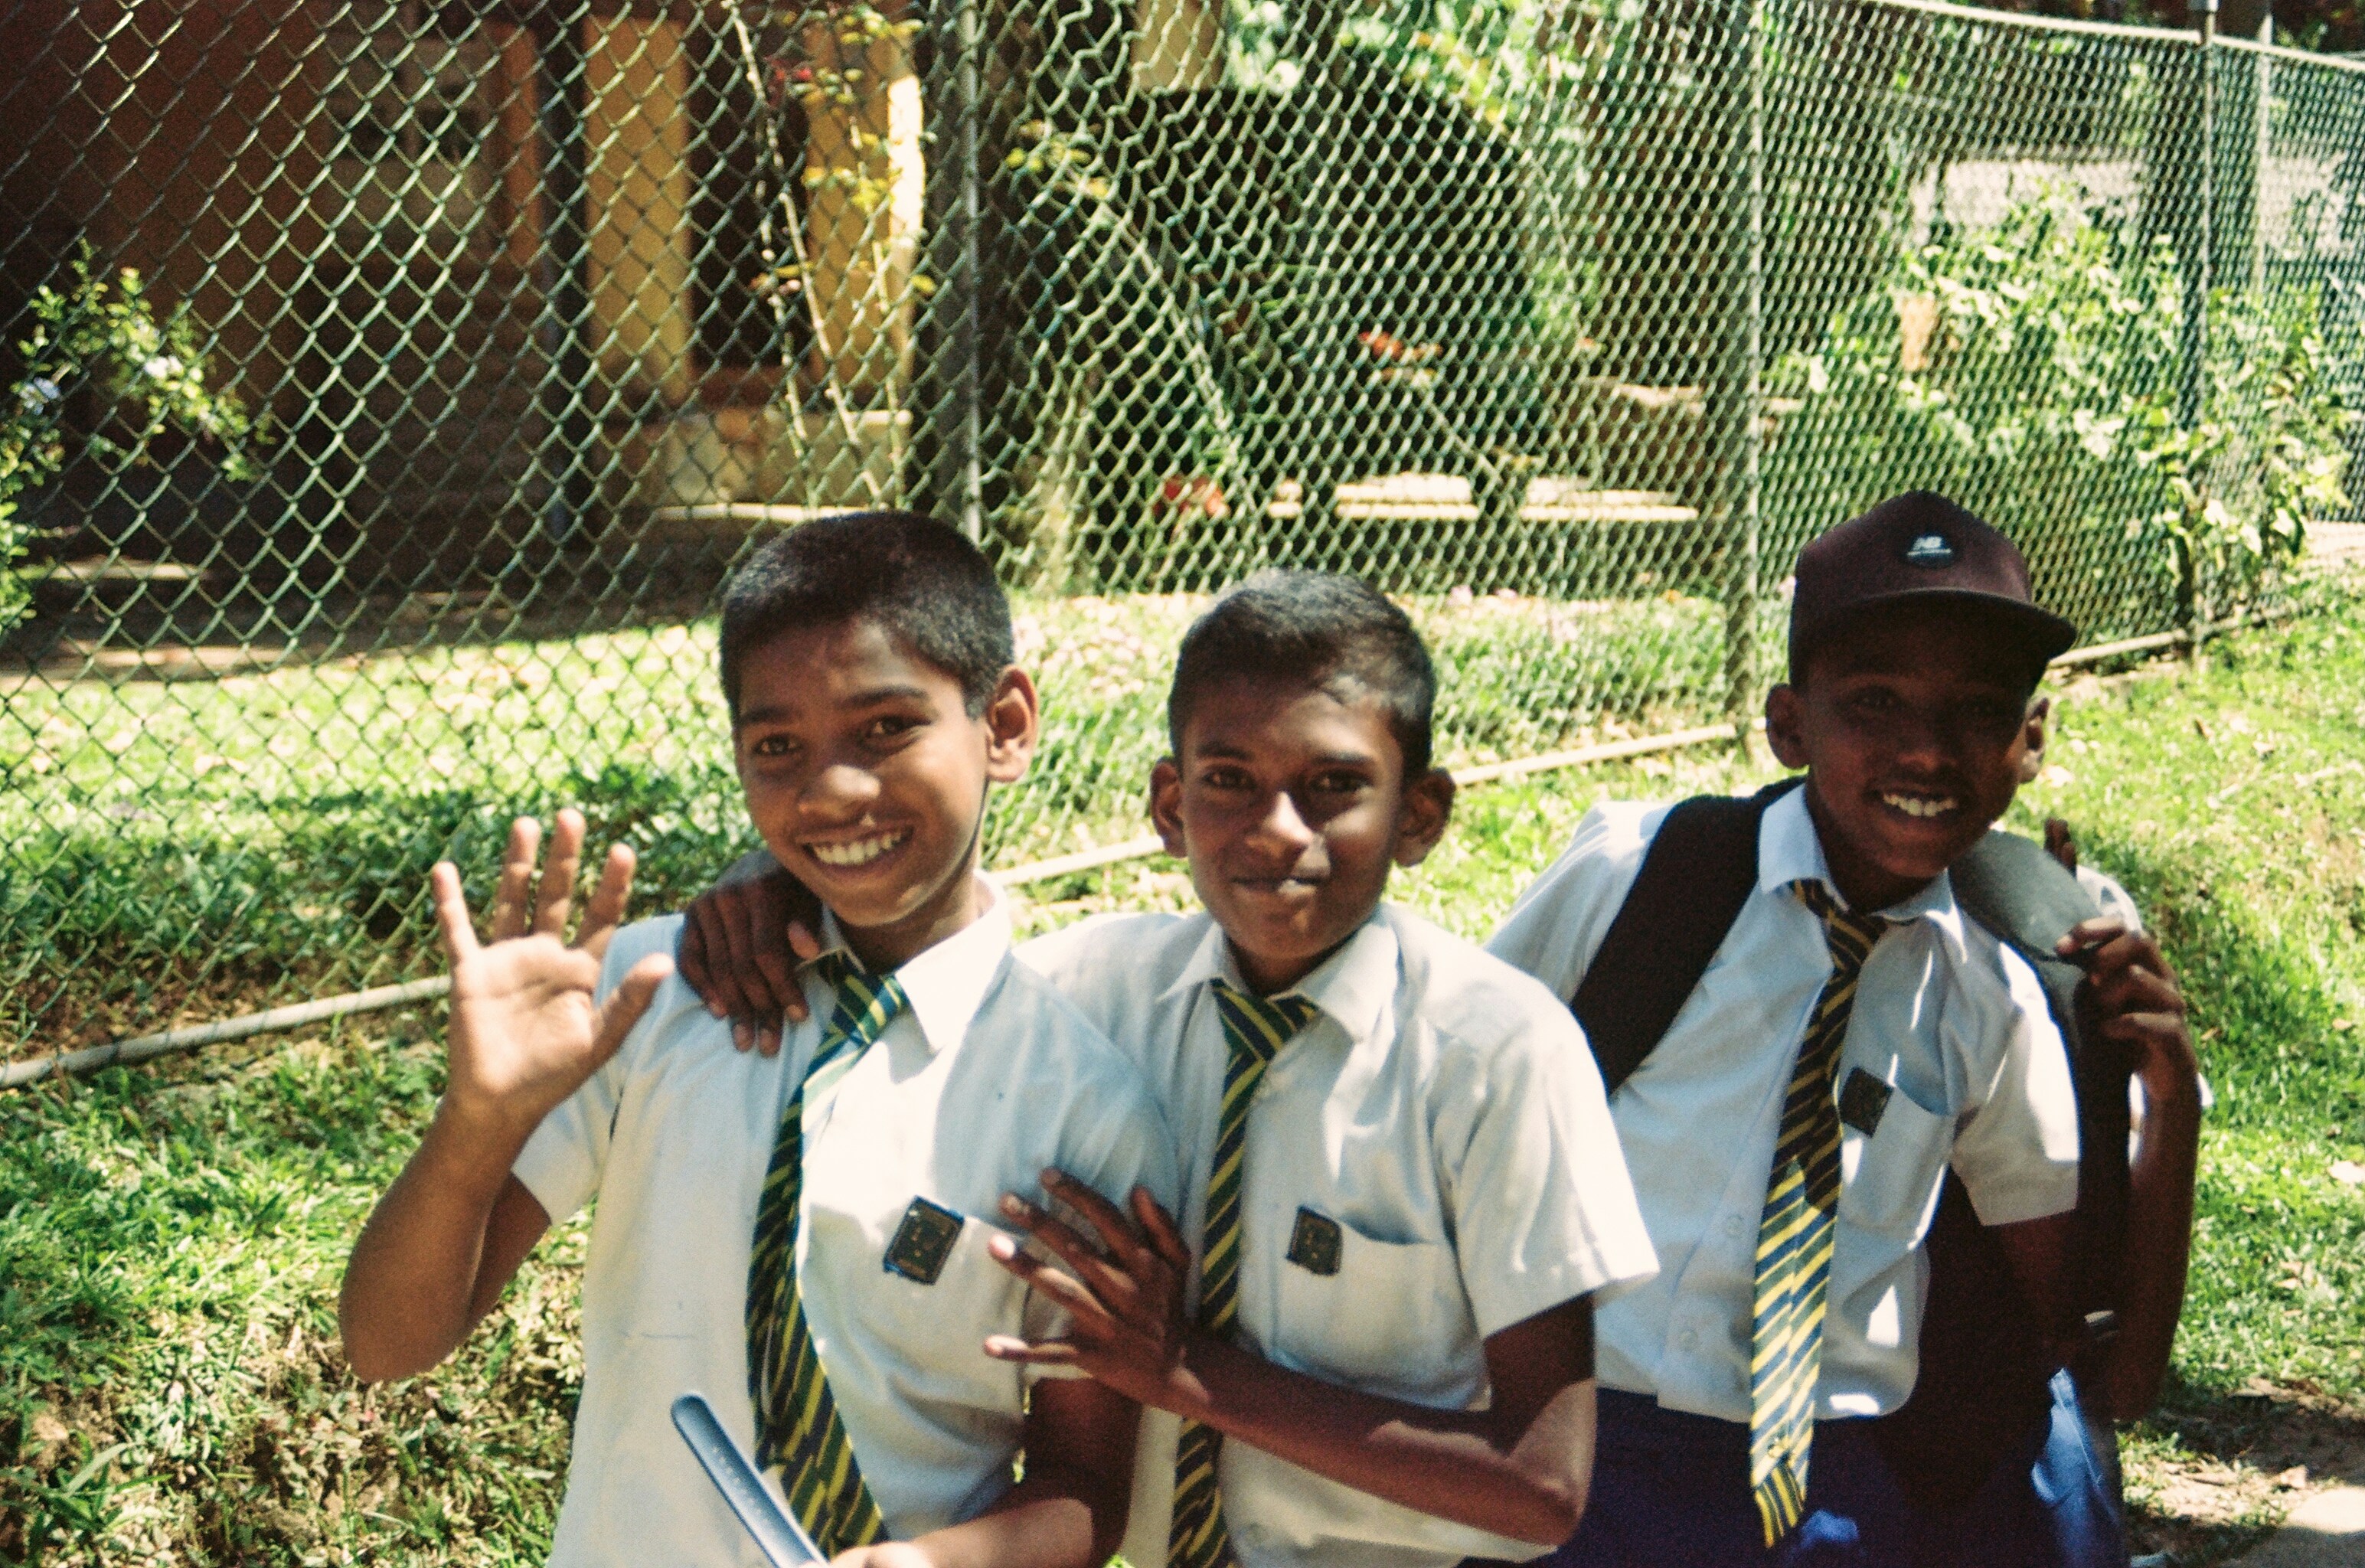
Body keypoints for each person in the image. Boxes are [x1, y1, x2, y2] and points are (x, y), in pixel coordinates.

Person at [679, 570, 1659, 1568]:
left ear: (1420, 814)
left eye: (1333, 785)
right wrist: (766, 884)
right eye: (1228, 780)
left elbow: (1540, 1488)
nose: (1277, 830)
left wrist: (1188, 1372)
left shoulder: (1494, 1056)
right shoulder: (1084, 999)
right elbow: (919, 932)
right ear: (1167, 804)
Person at [338, 511, 1179, 1568]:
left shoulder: (1086, 1110)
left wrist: (939, 1563)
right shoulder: (653, 1002)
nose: (831, 790)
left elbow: (1085, 1486)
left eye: (885, 729)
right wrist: (477, 1126)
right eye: (778, 748)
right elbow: (386, 1345)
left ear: (1003, 724)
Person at [1485, 491, 2200, 1566]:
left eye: (1976, 710)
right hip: (1578, 1451)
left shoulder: (1995, 993)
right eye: (1872, 702)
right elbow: (1446, 1104)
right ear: (1786, 723)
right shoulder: (1637, 880)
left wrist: (2172, 1098)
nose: (1926, 751)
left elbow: (2094, 1354)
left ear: (2031, 740)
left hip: (1823, 1494)